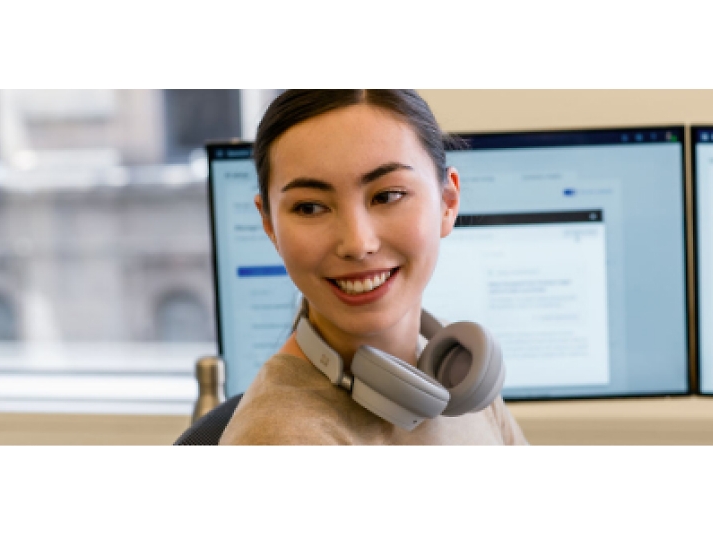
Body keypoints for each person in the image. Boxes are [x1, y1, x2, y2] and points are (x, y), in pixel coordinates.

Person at [218, 90, 529, 445]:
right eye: (309, 208)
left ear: (448, 201)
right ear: (269, 224)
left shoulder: (456, 370)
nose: (357, 244)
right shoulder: (282, 438)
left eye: (388, 195)